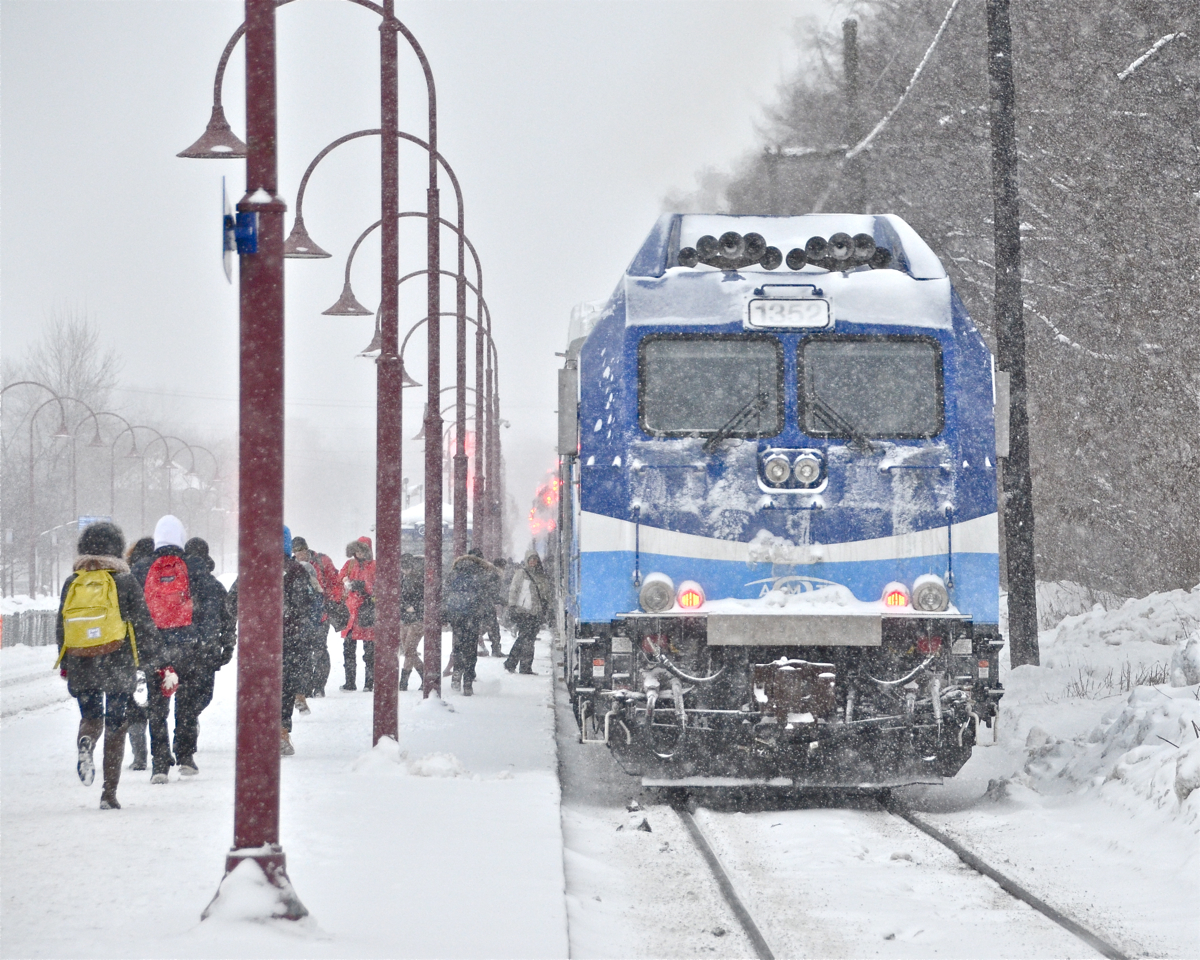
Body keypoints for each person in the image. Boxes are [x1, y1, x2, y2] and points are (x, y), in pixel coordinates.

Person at [56, 521, 161, 809]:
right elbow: (142, 623)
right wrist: (153, 660)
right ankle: (108, 793)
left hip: (81, 661)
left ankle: (86, 740)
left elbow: (61, 626)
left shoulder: (72, 581)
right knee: (117, 724)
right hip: (118, 661)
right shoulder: (124, 581)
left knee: (91, 716)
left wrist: (66, 661)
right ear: (117, 548)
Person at [131, 515, 226, 783]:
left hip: (154, 650)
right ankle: (184, 755)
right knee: (185, 704)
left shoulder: (140, 569)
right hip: (189, 648)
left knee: (157, 707)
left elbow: (132, 613)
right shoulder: (194, 567)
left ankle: (159, 764)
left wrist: (139, 647)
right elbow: (211, 610)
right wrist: (208, 643)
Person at [282, 527, 323, 755]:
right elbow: (314, 601)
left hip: (261, 643)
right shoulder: (298, 571)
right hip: (292, 638)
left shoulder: (254, 569)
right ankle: (281, 730)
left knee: (263, 686)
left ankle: (259, 730)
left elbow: (233, 603)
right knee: (286, 684)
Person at [443, 551, 500, 696]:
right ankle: (468, 682)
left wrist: (445, 615)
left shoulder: (454, 573)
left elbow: (445, 594)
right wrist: (486, 618)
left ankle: (456, 676)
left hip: (457, 616)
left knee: (458, 646)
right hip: (473, 617)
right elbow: (485, 597)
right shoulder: (481, 574)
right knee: (470, 648)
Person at [292, 536, 341, 698]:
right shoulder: (291, 566)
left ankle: (319, 685)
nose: (300, 554)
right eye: (296, 551)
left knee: (319, 650)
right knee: (303, 652)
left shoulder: (322, 561)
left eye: (302, 550)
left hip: (321, 614)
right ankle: (306, 687)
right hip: (300, 618)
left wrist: (332, 601)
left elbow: (336, 582)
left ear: (307, 548)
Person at [122, 536, 156, 771]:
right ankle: (163, 751)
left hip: (130, 647)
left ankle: (139, 755)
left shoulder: (127, 576)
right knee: (158, 700)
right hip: (158, 644)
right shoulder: (161, 572)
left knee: (133, 703)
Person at [505, 550, 552, 675]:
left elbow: (545, 593)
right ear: (526, 560)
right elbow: (513, 590)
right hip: (523, 611)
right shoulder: (521, 573)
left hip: (536, 612)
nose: (532, 562)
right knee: (525, 638)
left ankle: (521, 665)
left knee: (529, 639)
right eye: (530, 559)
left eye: (535, 559)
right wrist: (512, 606)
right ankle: (515, 663)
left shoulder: (540, 575)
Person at [339, 536, 376, 691]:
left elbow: (378, 586)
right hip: (351, 614)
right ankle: (350, 682)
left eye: (362, 550)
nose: (359, 553)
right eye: (357, 550)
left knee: (369, 653)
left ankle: (369, 684)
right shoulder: (349, 564)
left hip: (366, 612)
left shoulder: (375, 566)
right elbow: (340, 577)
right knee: (348, 651)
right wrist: (346, 581)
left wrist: (364, 586)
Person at [399, 553, 425, 692]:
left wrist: (414, 607)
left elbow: (423, 597)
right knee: (409, 650)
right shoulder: (403, 578)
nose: (405, 571)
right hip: (406, 617)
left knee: (409, 649)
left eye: (407, 568)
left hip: (417, 618)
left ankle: (406, 681)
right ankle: (405, 681)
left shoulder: (419, 579)